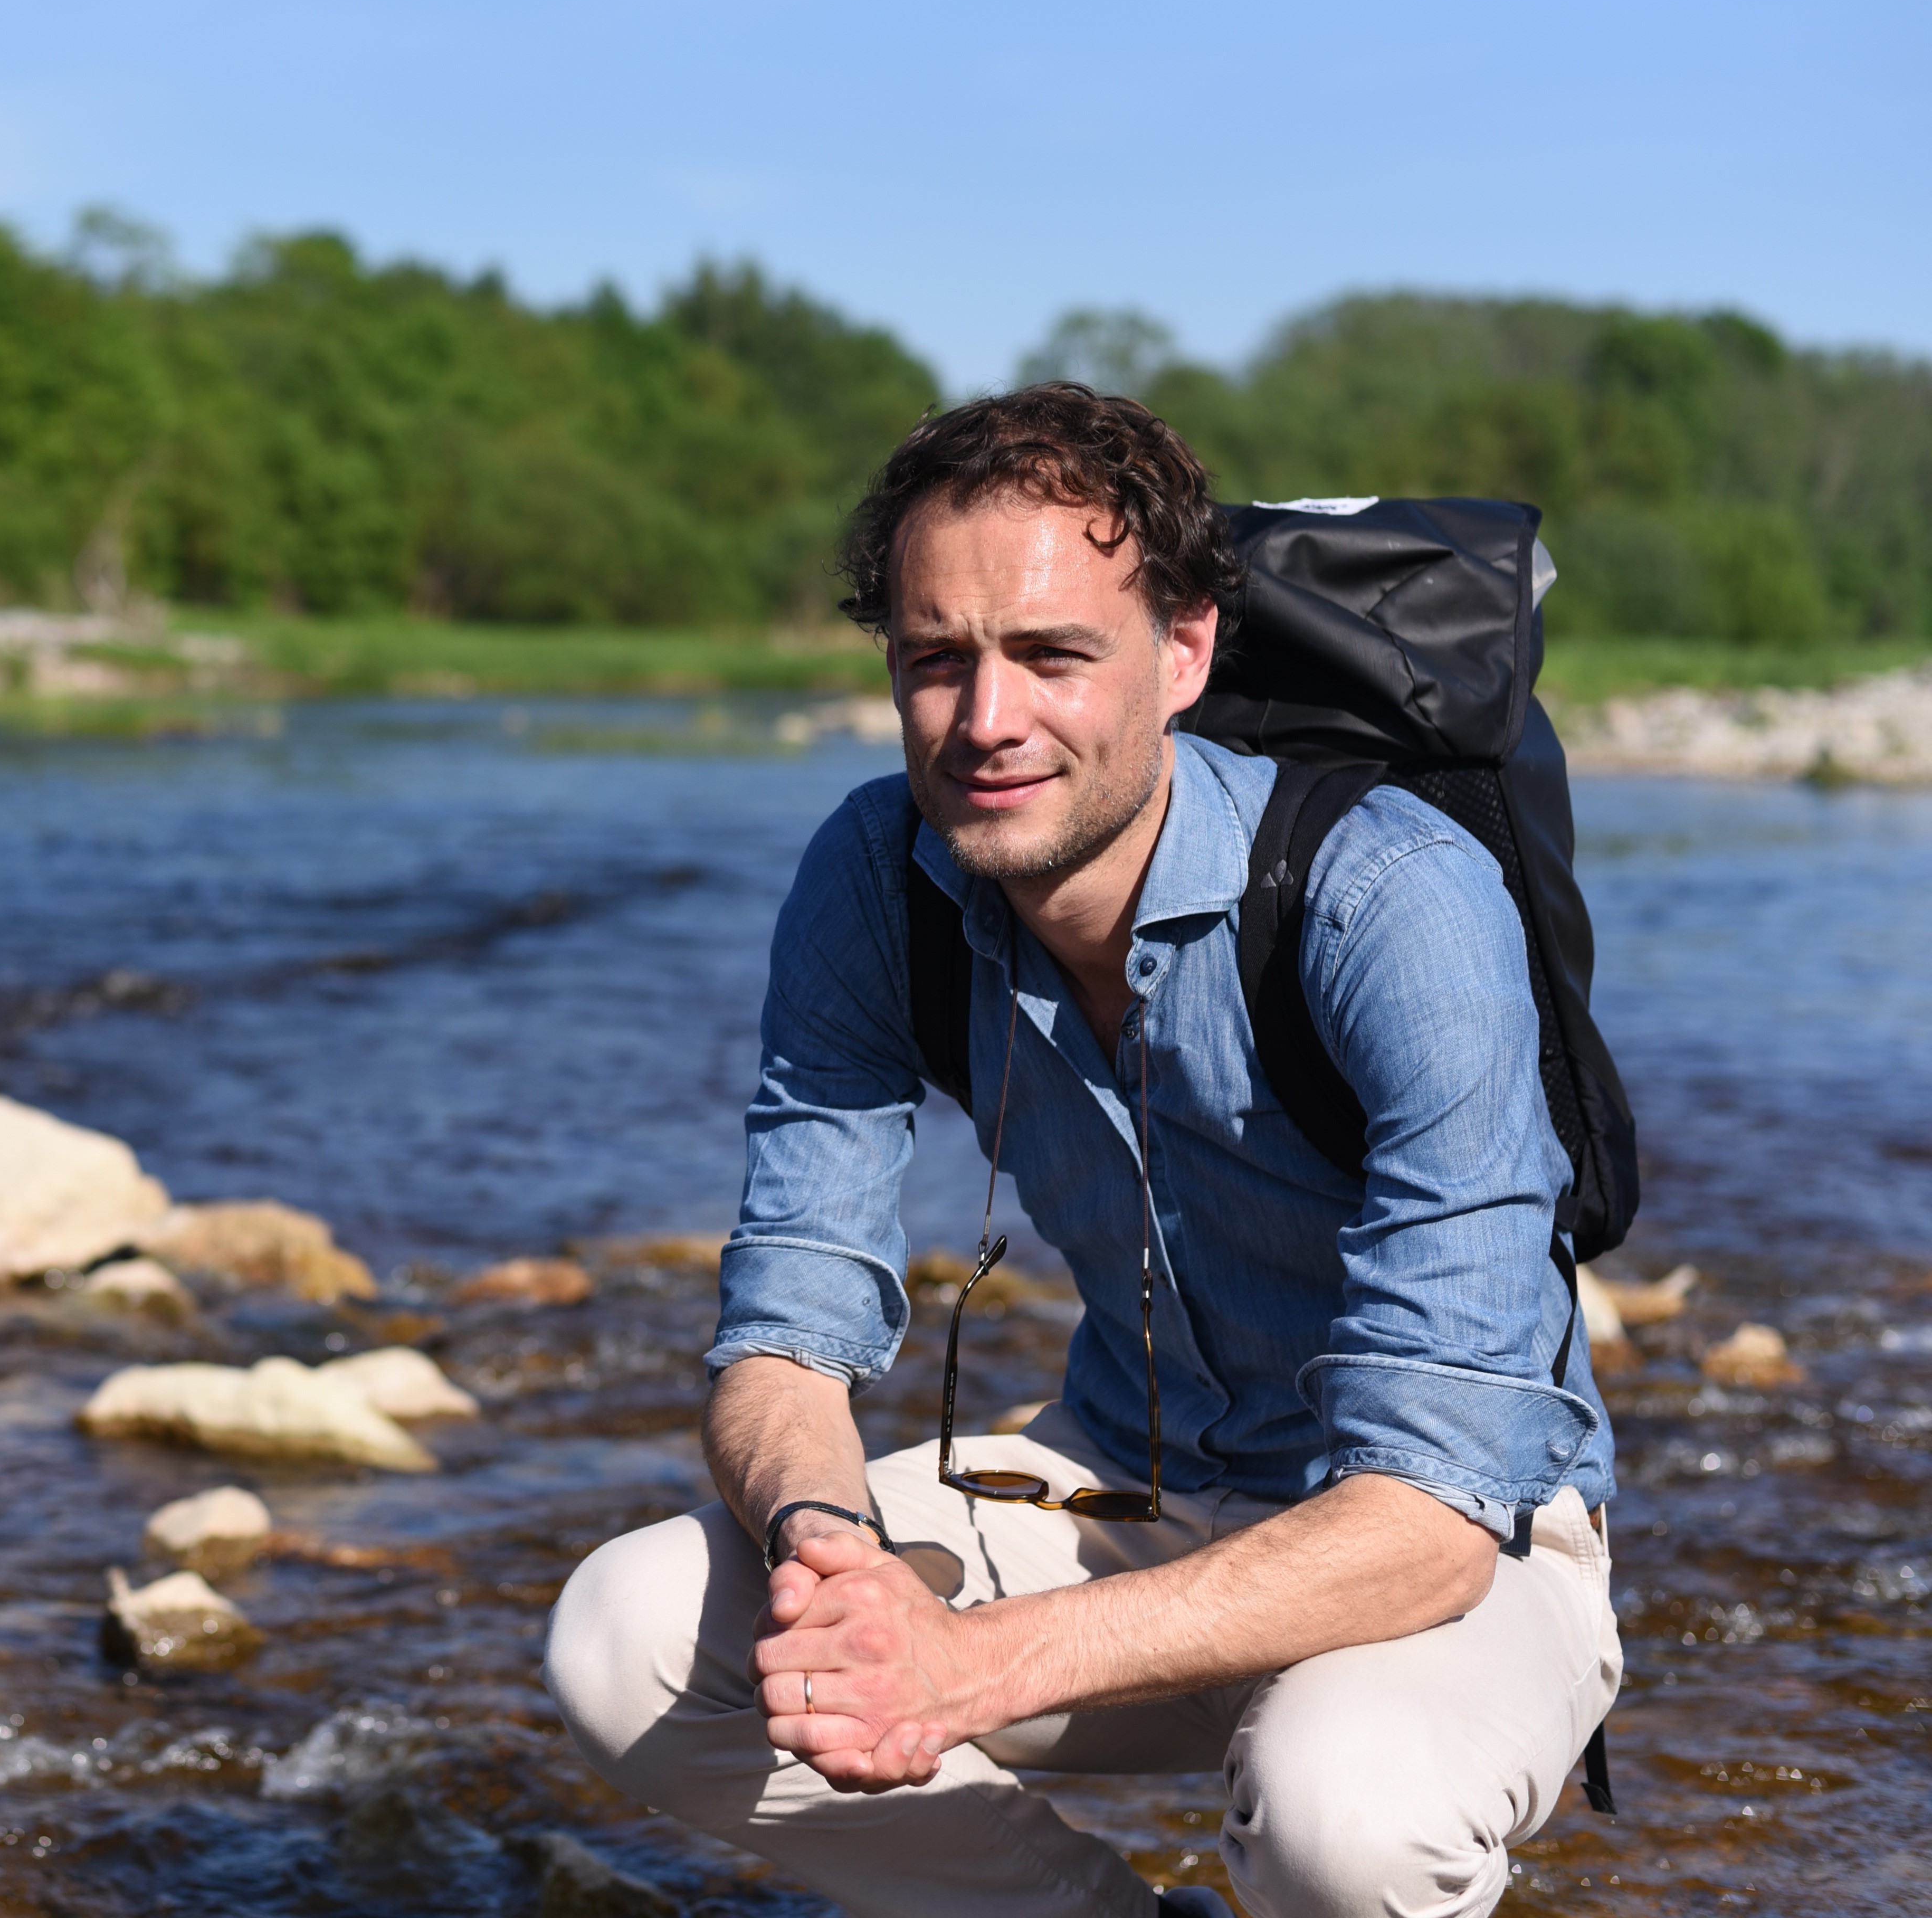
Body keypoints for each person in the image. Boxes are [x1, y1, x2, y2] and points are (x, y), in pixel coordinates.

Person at [544, 385, 1622, 1918]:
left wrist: (963, 1667)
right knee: (625, 1635)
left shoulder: (1396, 902)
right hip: (1122, 1480)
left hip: (1455, 1544)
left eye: (1052, 655)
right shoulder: (877, 874)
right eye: (937, 661)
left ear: (1182, 653)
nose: (987, 723)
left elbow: (1428, 1524)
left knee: (1347, 1814)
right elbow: (785, 1331)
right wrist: (832, 1549)